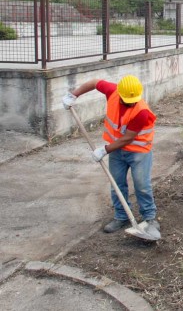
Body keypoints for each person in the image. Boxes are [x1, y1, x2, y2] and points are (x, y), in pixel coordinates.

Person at [62, 75, 159, 233]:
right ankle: (121, 216)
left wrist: (104, 150)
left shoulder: (142, 112)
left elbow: (128, 138)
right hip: (117, 151)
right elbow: (94, 82)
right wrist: (74, 94)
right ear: (120, 93)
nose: (132, 102)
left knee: (142, 185)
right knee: (117, 184)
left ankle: (150, 218)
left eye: (134, 99)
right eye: (128, 99)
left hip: (138, 152)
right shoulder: (113, 91)